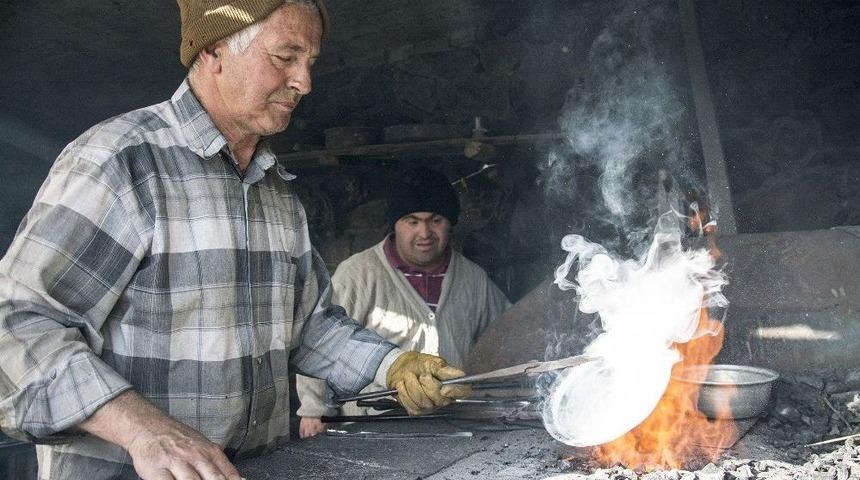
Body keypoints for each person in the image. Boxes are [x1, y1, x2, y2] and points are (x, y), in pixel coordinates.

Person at [0, 2, 470, 479]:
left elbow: (309, 325)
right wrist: (144, 430)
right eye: (285, 57)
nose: (304, 83)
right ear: (215, 49)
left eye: (310, 63)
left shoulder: (275, 190)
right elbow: (18, 326)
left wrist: (393, 365)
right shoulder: (120, 164)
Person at [296, 167, 511, 438]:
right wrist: (314, 410)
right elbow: (320, 339)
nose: (424, 233)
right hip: (373, 426)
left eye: (435, 220)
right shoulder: (358, 274)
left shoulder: (473, 279)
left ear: (450, 223)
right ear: (395, 224)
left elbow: (508, 333)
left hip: (455, 425)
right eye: (412, 220)